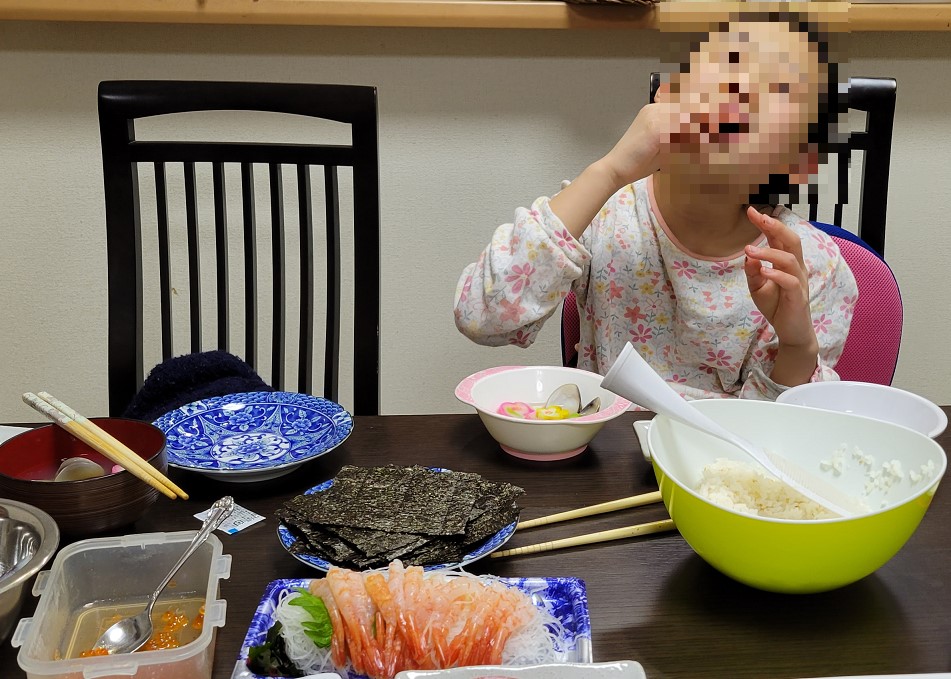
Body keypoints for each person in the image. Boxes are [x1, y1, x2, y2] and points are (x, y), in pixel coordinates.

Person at [453, 11, 858, 401]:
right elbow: (482, 318)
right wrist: (608, 171)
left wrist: (798, 344)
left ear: (799, 161)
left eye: (780, 87)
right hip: (607, 458)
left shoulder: (809, 266)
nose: (743, 88)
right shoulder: (604, 213)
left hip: (723, 462)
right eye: (728, 62)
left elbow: (777, 438)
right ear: (667, 94)